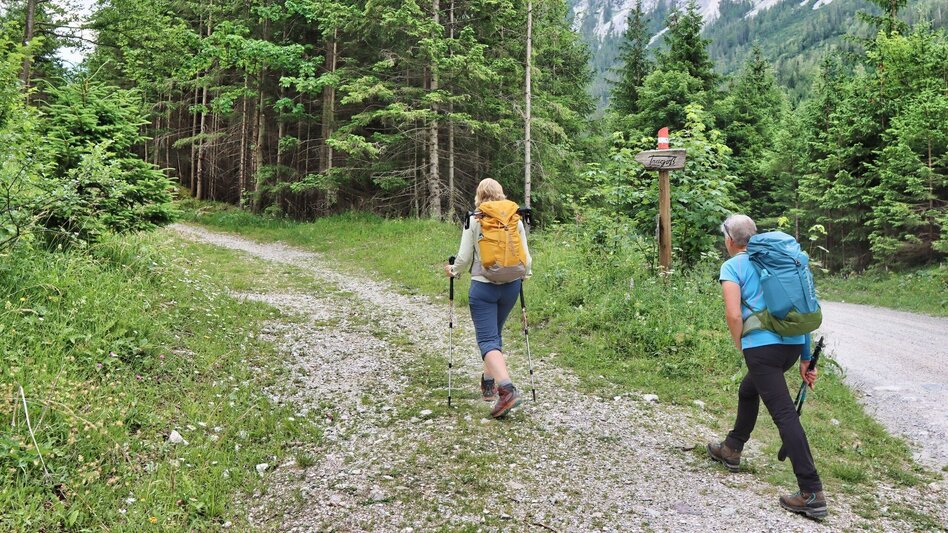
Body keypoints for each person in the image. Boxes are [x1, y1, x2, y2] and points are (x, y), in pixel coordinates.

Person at [707, 214, 827, 519]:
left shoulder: (733, 265)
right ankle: (732, 448)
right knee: (749, 389)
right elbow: (797, 309)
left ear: (730, 240)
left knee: (784, 414)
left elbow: (734, 315)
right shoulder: (776, 261)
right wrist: (803, 357)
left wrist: (741, 344)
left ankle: (811, 492)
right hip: (788, 348)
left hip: (762, 350)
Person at [445, 178, 532, 418]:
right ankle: (487, 382)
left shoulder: (475, 218)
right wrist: (526, 274)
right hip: (512, 286)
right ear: (501, 194)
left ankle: (506, 389)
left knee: (487, 340)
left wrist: (453, 271)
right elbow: (525, 253)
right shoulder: (515, 217)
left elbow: (463, 258)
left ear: (479, 196)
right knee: (494, 334)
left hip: (483, 288)